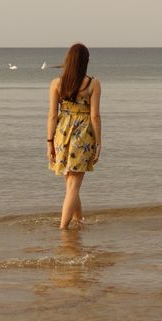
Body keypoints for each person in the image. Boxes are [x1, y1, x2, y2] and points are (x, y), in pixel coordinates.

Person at [46, 43, 101, 230]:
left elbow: (52, 115)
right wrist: (99, 143)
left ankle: (79, 221)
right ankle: (64, 229)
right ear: (85, 61)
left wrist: (49, 143)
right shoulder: (93, 83)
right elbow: (94, 115)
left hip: (61, 134)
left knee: (70, 184)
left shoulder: (57, 83)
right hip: (82, 135)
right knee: (74, 186)